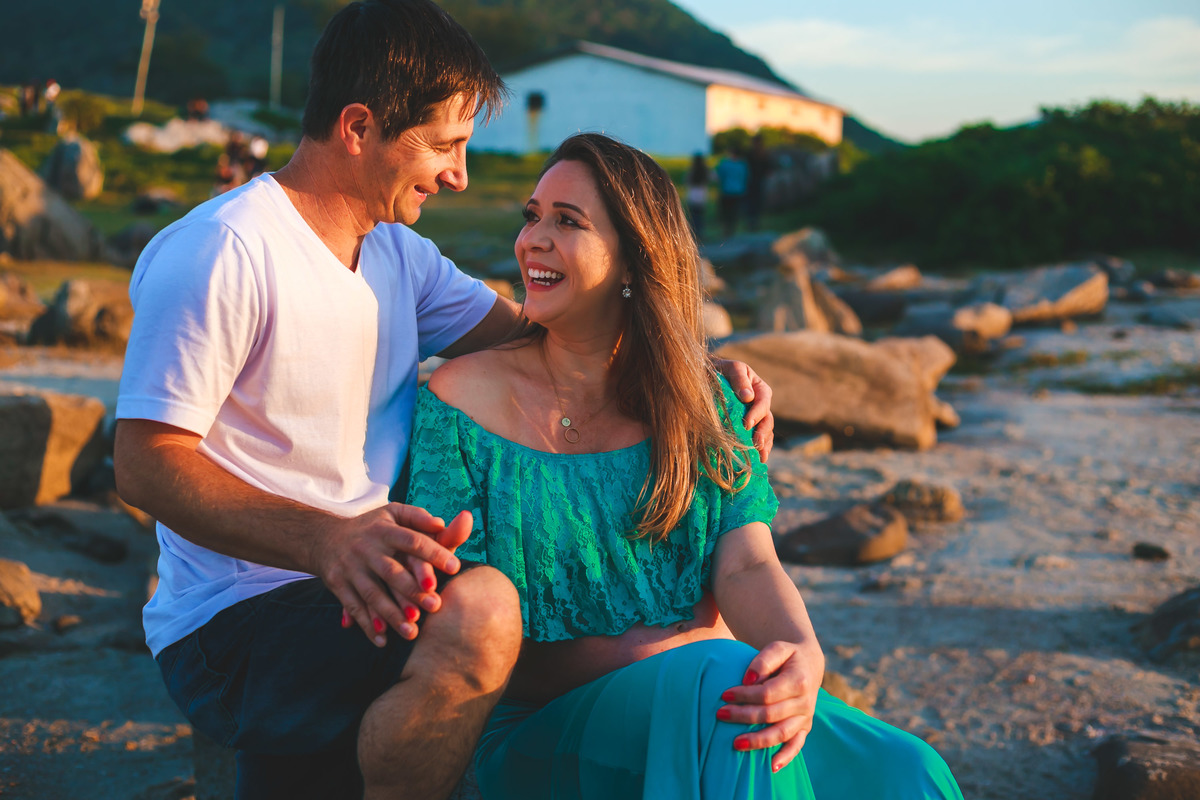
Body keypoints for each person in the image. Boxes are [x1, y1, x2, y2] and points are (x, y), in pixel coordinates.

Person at [113, 3, 775, 798]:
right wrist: (329, 541)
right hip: (239, 617)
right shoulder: (223, 250)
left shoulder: (399, 254)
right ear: (359, 128)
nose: (459, 174)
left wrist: (702, 373)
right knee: (489, 606)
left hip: (367, 582)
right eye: (445, 144)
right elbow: (144, 466)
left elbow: (549, 338)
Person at [405, 133, 964, 799]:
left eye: (567, 221)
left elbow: (748, 562)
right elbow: (468, 633)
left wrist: (801, 656)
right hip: (543, 729)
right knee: (725, 697)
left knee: (905, 772)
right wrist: (680, 663)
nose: (532, 240)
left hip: (704, 689)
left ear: (635, 260)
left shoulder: (706, 401)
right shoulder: (456, 403)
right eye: (531, 215)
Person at [715, 144, 749, 238]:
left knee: (726, 212)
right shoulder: (742, 165)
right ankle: (733, 231)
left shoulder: (725, 163)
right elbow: (745, 177)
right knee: (735, 212)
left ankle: (726, 230)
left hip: (726, 191)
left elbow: (719, 177)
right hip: (738, 191)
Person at [746, 133, 773, 231]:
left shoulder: (751, 153)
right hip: (757, 181)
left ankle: (752, 223)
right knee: (755, 203)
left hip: (752, 181)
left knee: (753, 203)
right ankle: (754, 223)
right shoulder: (763, 153)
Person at [685, 152, 710, 241]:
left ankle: (693, 233)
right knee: (700, 216)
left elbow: (687, 180)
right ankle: (700, 233)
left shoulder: (692, 170)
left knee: (693, 216)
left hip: (692, 195)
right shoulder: (705, 170)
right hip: (702, 195)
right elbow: (714, 178)